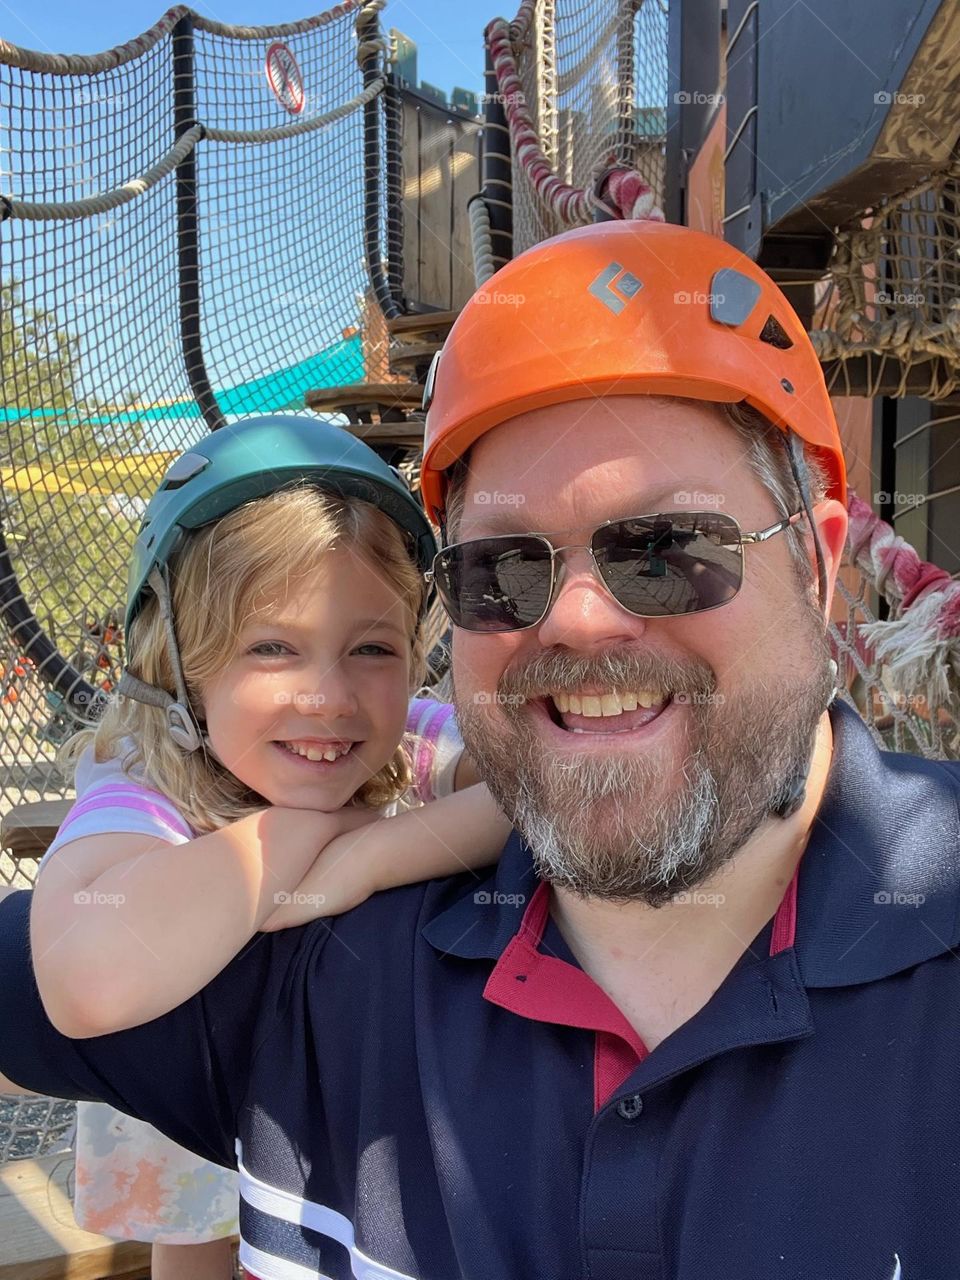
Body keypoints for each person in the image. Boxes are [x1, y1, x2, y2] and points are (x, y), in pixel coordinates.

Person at [3, 220, 960, 1280]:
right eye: (503, 567)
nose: (583, 621)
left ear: (820, 568)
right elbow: (78, 977)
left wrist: (355, 852)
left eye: (669, 549)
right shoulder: (281, 952)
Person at [18, 415, 508, 1280]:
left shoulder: (406, 744)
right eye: (272, 647)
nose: (328, 697)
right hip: (183, 1109)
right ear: (181, 662)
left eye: (371, 649)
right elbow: (83, 980)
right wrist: (302, 832)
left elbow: (525, 797)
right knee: (196, 1246)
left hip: (324, 1104)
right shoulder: (144, 781)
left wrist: (362, 863)